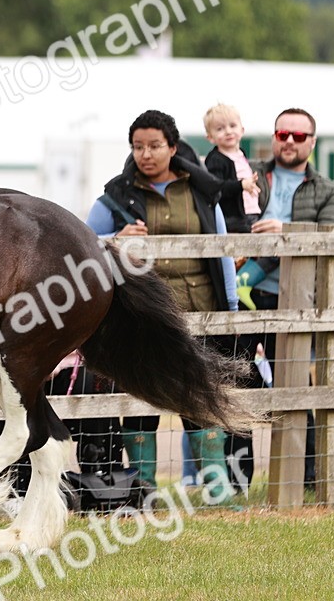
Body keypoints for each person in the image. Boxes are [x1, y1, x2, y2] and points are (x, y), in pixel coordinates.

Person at [85, 110, 239, 495]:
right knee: (140, 399)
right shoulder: (114, 198)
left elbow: (222, 253)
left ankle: (217, 491)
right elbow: (83, 249)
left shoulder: (202, 195)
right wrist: (116, 237)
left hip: (201, 314)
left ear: (173, 147)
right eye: (138, 146)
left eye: (154, 146)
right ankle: (144, 490)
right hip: (141, 319)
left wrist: (232, 311)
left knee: (202, 396)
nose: (146, 154)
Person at [238, 108, 334, 489]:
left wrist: (287, 231)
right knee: (238, 385)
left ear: (312, 143)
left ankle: (306, 476)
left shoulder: (329, 189)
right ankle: (236, 481)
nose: (289, 141)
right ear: (274, 137)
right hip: (242, 298)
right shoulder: (246, 173)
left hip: (297, 301)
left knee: (298, 386)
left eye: (299, 136)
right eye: (283, 133)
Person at [202, 103, 260, 234]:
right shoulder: (216, 160)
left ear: (242, 130)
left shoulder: (241, 154)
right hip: (232, 219)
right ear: (210, 137)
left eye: (232, 126)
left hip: (250, 212)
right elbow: (216, 187)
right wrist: (241, 185)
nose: (228, 131)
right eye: (220, 129)